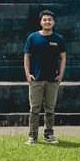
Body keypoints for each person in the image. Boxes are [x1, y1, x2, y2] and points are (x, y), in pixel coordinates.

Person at [23, 9, 67, 144]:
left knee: (50, 109)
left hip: (52, 80)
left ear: (53, 22)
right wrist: (27, 73)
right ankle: (32, 136)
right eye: (45, 20)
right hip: (36, 79)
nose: (47, 22)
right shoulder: (33, 38)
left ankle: (49, 135)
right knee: (34, 109)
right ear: (41, 22)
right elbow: (27, 56)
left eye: (50, 20)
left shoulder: (58, 39)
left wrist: (61, 74)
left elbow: (63, 58)